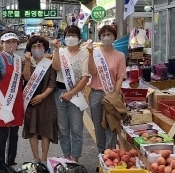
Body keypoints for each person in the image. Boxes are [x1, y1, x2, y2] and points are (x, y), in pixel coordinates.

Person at [51, 25, 90, 163]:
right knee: (63, 127)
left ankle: (75, 157)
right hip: (59, 93)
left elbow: (85, 77)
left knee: (76, 127)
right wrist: (56, 50)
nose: (70, 38)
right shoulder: (60, 52)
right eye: (68, 35)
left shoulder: (85, 54)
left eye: (73, 35)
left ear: (79, 38)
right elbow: (55, 67)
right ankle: (66, 156)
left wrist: (71, 93)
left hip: (76, 93)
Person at [87, 25, 127, 155]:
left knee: (111, 126)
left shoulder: (120, 55)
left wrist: (115, 94)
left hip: (111, 94)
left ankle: (109, 156)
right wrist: (91, 54)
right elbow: (92, 72)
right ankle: (101, 156)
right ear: (100, 37)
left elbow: (121, 76)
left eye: (109, 34)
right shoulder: (95, 53)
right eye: (103, 35)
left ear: (114, 37)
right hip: (96, 94)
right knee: (99, 127)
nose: (106, 37)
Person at [0, 31, 24, 167]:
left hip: (16, 101)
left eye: (13, 42)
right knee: (3, 134)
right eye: (7, 42)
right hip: (2, 102)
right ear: (2, 44)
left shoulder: (18, 59)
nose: (11, 44)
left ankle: (11, 162)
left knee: (14, 134)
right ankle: (1, 164)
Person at [22, 36, 58, 165]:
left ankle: (44, 159)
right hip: (30, 101)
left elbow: (52, 84)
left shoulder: (49, 63)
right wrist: (27, 62)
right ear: (30, 49)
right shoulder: (27, 61)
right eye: (34, 46)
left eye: (40, 46)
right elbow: (26, 78)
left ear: (45, 48)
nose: (37, 48)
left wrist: (42, 96)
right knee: (32, 130)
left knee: (45, 130)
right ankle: (36, 159)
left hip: (46, 101)